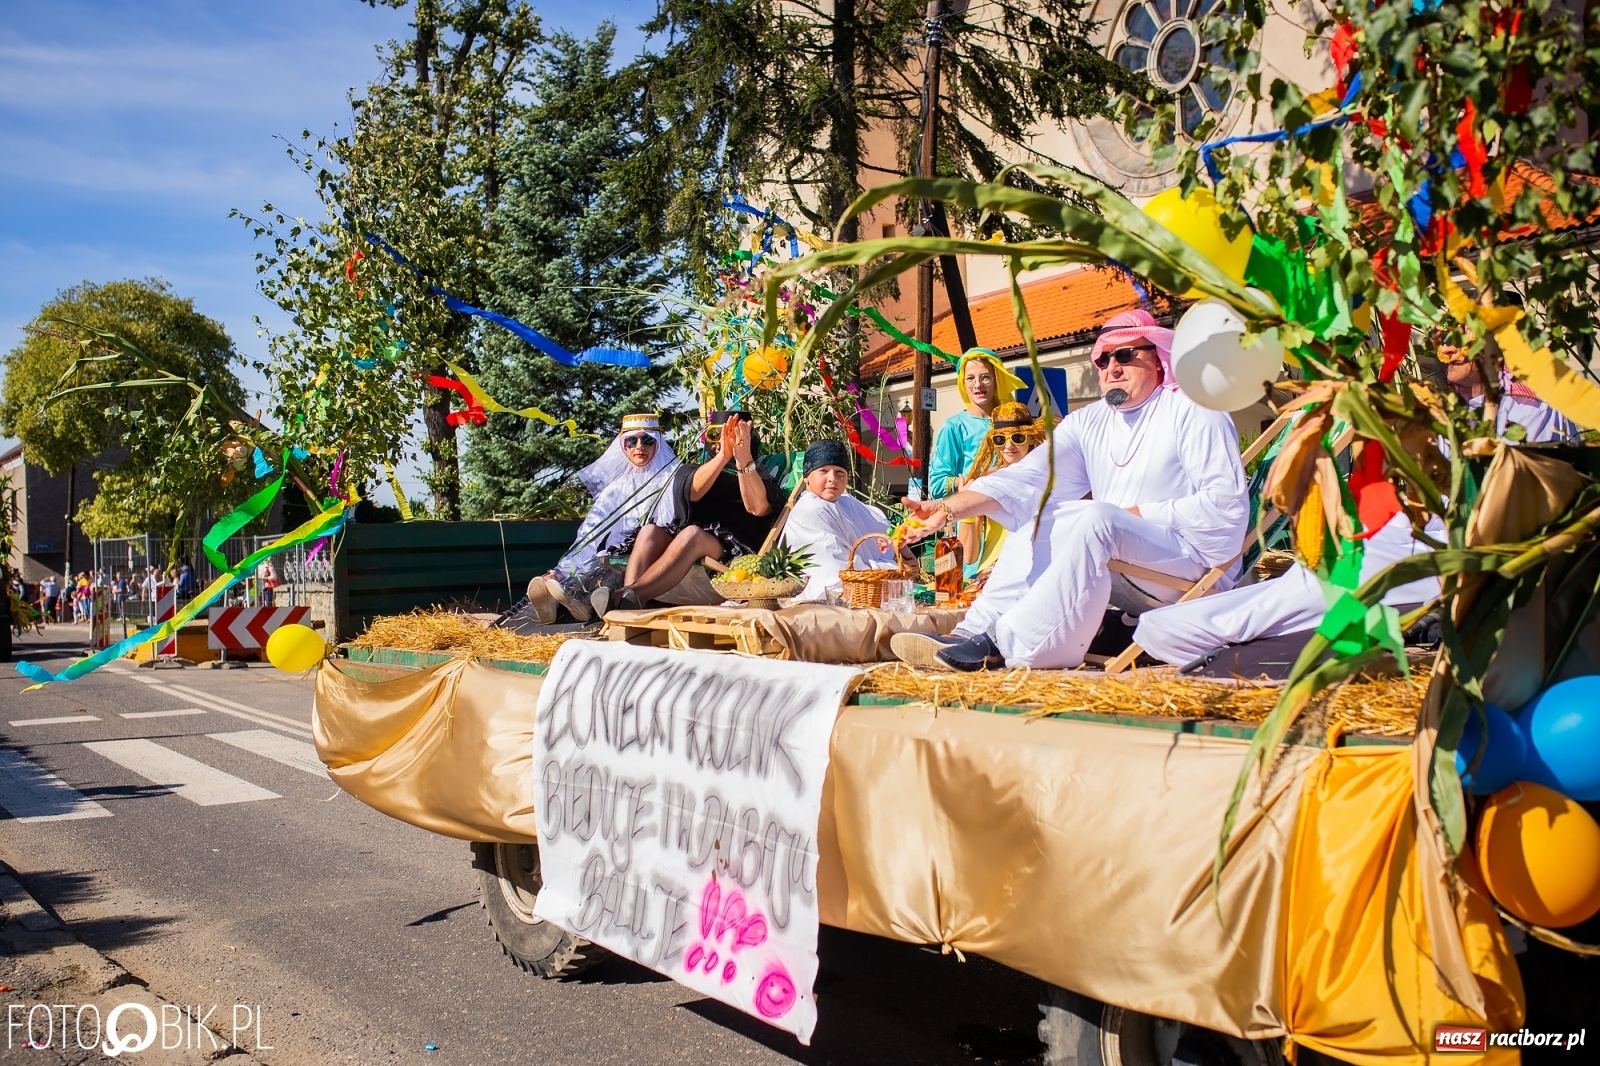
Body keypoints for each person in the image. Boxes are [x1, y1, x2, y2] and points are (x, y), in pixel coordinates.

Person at [891, 308, 1250, 672]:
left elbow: (1226, 506)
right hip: (1123, 561)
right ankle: (971, 631)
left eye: (1126, 355)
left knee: (1096, 517)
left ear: (1158, 359)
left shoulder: (1194, 409)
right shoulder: (1089, 421)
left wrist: (1134, 515)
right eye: (1103, 358)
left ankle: (1005, 645)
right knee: (1037, 512)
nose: (1112, 367)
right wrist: (948, 508)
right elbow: (1029, 478)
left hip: (1190, 563)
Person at [592, 412, 783, 616]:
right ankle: (629, 603)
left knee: (692, 534)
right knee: (649, 531)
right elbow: (693, 491)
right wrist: (723, 456)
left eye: (730, 435)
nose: (720, 442)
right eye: (715, 436)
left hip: (733, 547)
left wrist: (742, 459)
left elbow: (757, 508)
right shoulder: (695, 469)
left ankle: (629, 595)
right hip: (692, 536)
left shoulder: (759, 476)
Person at [525, 413, 680, 624]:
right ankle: (555, 598)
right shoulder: (616, 489)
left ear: (658, 444)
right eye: (632, 441)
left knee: (614, 565)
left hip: (652, 556)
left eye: (647, 440)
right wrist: (561, 570)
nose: (639, 447)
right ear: (623, 447)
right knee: (597, 559)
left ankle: (575, 600)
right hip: (615, 555)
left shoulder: (671, 480)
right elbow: (590, 532)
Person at [781, 439, 900, 602]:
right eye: (823, 471)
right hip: (827, 598)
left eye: (839, 473)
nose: (832, 478)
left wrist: (904, 554)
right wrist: (892, 569)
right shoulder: (810, 509)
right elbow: (836, 568)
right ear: (807, 478)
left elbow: (883, 527)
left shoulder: (846, 502)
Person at [954, 402, 1046, 575]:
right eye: (1000, 439)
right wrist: (968, 506)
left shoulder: (1046, 479)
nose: (1009, 446)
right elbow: (968, 557)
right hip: (992, 575)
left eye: (1018, 438)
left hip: (1033, 571)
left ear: (1031, 438)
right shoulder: (986, 482)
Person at [1439, 335, 1576, 443]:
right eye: (1442, 338)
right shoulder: (1451, 417)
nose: (1445, 349)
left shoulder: (1531, 405)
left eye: (1458, 338)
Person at [928, 348, 1025, 499]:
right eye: (970, 378)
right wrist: (976, 478)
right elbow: (936, 484)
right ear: (963, 384)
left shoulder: (1013, 420)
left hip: (1014, 511)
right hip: (975, 517)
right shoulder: (954, 426)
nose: (978, 384)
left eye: (986, 377)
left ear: (997, 380)